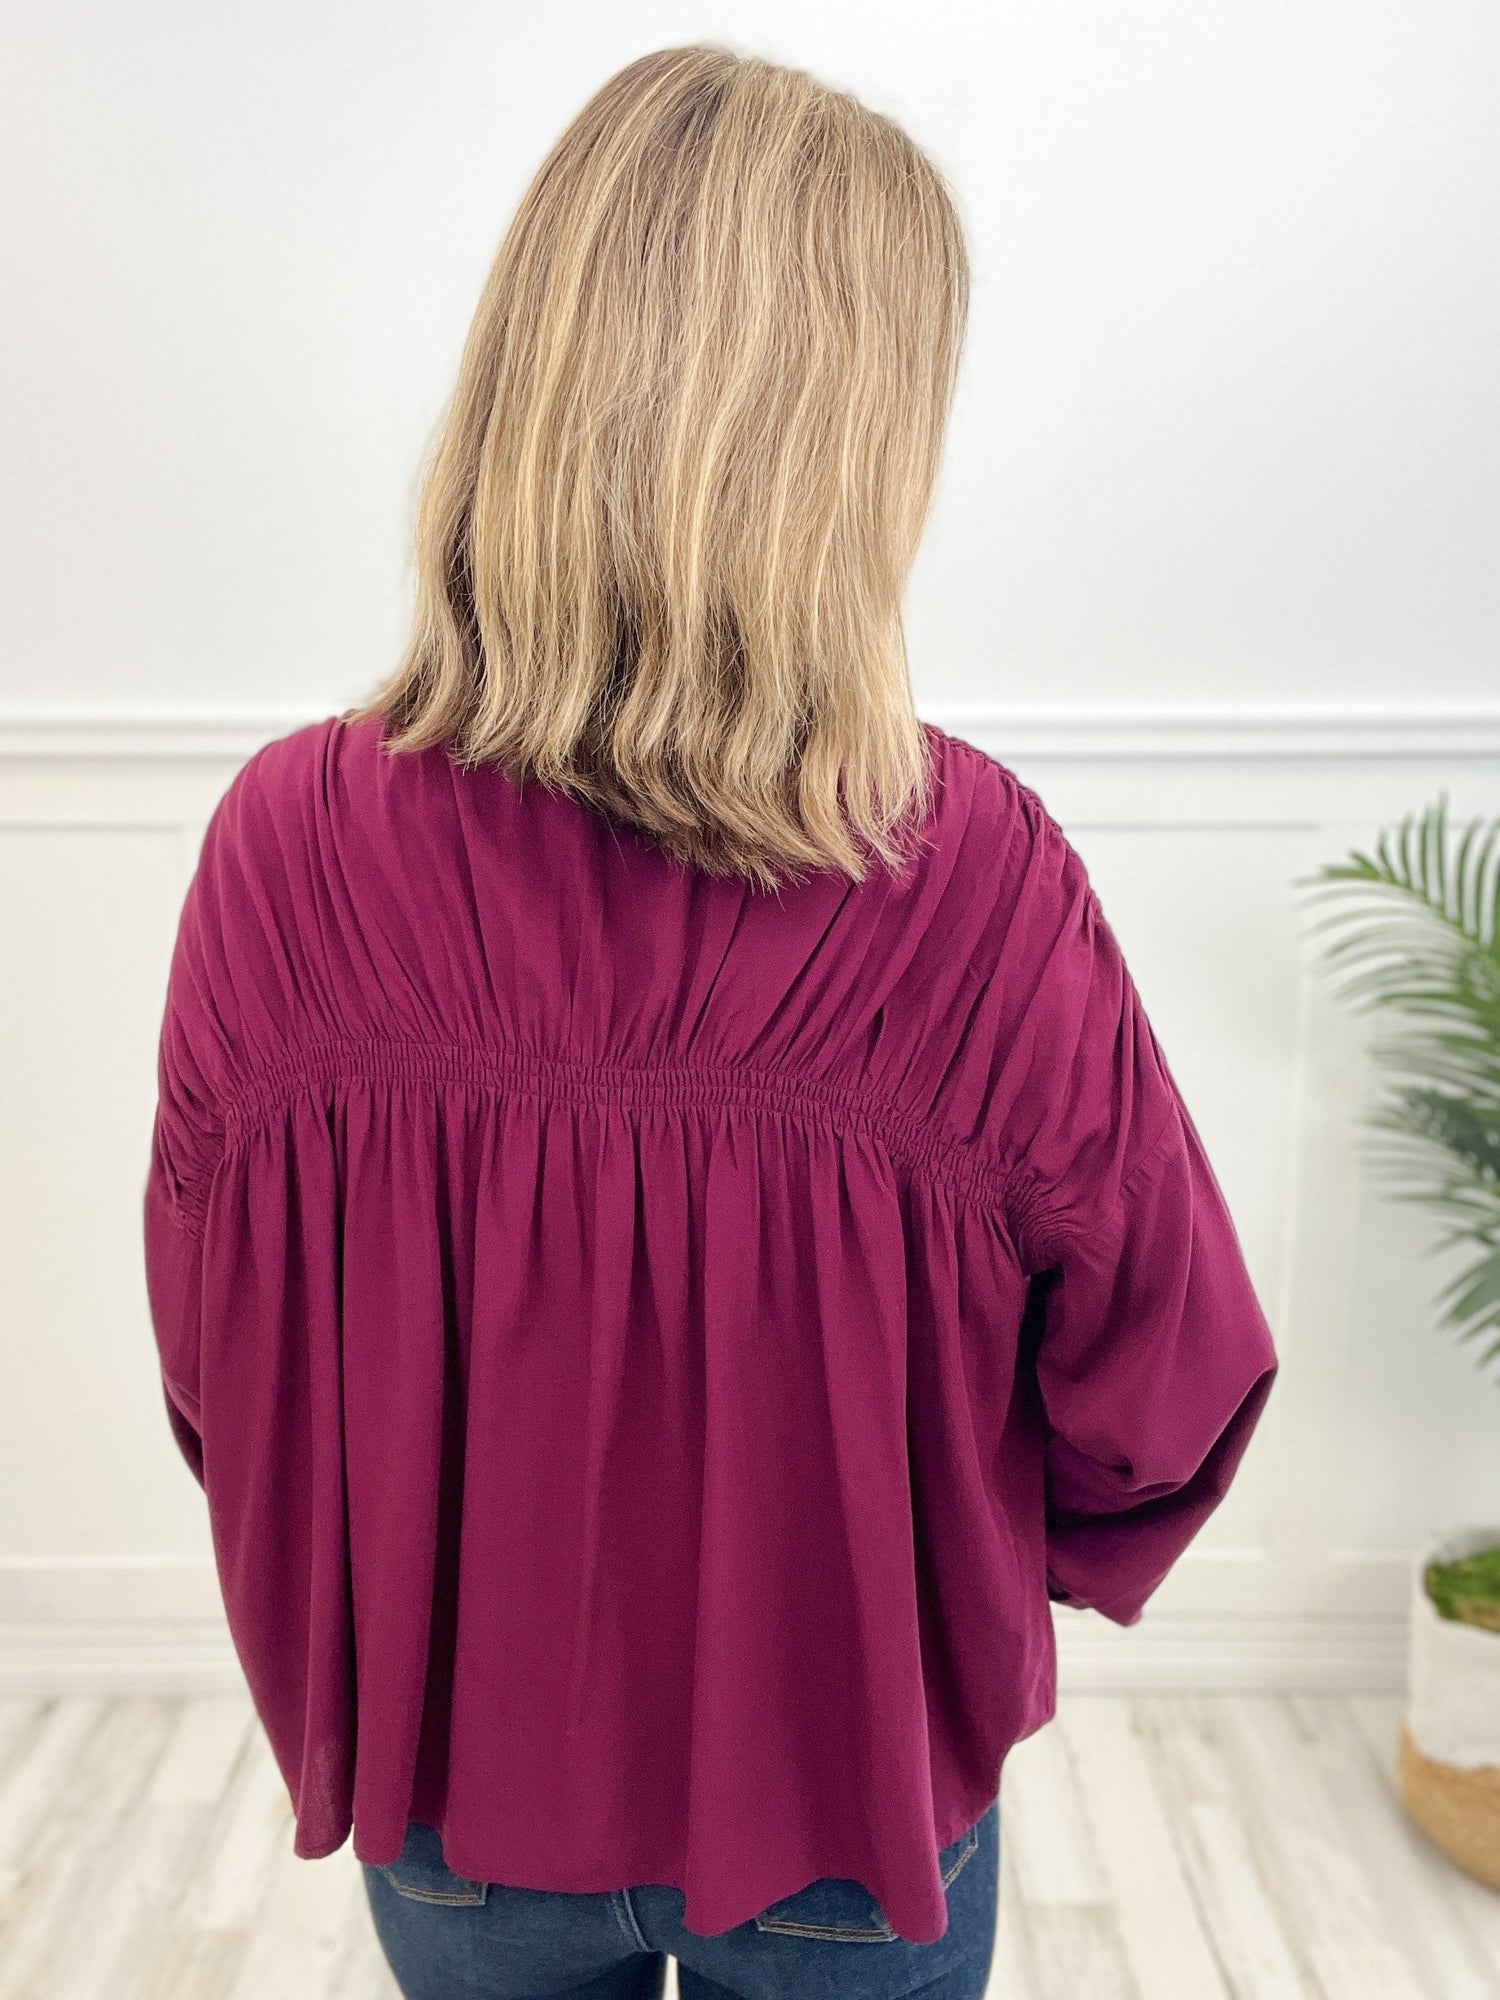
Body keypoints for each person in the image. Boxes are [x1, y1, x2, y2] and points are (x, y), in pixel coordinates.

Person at [142, 43, 1279, 2000]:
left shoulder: (286, 845)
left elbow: (224, 1365)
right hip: (846, 1794)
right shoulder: (966, 875)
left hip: (454, 1797)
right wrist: (965, 1558)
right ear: (855, 452)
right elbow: (1159, 1382)